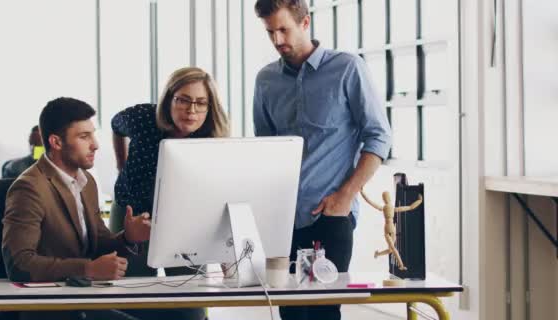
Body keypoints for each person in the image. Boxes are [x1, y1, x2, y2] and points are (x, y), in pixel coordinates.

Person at [253, 1, 392, 319]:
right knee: (290, 313)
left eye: (283, 29)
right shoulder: (265, 81)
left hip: (331, 217)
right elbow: (264, 150)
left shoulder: (347, 68)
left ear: (305, 23)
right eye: (269, 32)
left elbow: (379, 137)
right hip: (282, 219)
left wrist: (345, 196)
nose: (277, 41)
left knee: (322, 313)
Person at [2, 97, 151, 320]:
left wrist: (127, 237)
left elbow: (98, 244)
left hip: (83, 297)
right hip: (48, 308)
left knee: (182, 314)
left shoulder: (86, 182)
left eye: (93, 134)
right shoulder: (29, 188)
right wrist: (88, 270)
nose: (95, 144)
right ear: (56, 142)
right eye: (84, 136)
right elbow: (20, 264)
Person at [109, 67, 229, 320]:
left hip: (183, 221)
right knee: (131, 297)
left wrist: (223, 251)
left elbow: (217, 197)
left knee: (190, 306)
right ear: (169, 98)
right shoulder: (143, 117)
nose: (191, 110)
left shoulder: (213, 139)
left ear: (210, 108)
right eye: (183, 100)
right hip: (133, 213)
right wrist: (122, 162)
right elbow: (115, 125)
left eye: (200, 103)